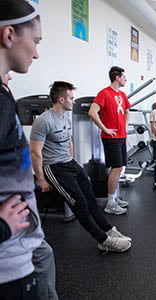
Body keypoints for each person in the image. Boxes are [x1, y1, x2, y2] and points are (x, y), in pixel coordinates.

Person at [30, 81, 132, 253]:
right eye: (71, 98)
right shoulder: (44, 121)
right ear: (61, 100)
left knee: (90, 198)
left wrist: (72, 161)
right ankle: (104, 240)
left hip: (70, 163)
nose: (74, 101)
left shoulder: (65, 117)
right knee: (80, 203)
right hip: (54, 167)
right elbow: (35, 152)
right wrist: (41, 179)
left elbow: (69, 141)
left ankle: (108, 230)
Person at [0, 1, 58, 299]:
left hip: (20, 248)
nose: (36, 53)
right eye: (35, 41)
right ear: (9, 36)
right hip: (7, 261)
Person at [88, 66, 130, 215]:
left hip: (121, 136)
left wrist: (124, 127)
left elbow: (126, 111)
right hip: (110, 137)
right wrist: (105, 129)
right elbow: (92, 112)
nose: (125, 79)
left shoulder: (123, 95)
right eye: (124, 76)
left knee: (120, 168)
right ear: (117, 77)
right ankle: (110, 203)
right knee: (116, 168)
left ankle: (114, 197)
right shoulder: (104, 93)